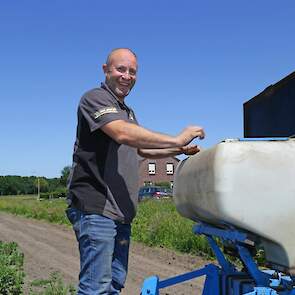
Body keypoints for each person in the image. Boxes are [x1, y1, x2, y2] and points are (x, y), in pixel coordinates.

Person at [66, 48, 205, 294]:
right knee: (95, 288)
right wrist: (175, 139)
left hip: (121, 212)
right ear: (106, 70)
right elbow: (121, 132)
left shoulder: (127, 112)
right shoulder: (95, 98)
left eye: (132, 71)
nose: (126, 76)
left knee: (114, 284)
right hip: (97, 207)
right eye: (121, 69)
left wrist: (178, 150)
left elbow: (142, 151)